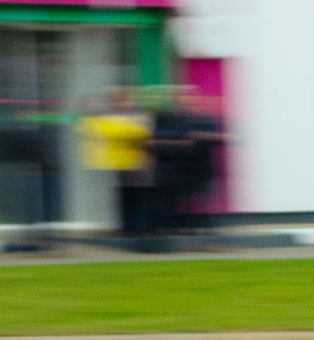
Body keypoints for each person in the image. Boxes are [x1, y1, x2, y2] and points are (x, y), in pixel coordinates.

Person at [80, 88, 156, 248]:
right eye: (117, 101)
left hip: (138, 169)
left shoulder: (138, 117)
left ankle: (138, 232)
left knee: (137, 200)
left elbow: (142, 136)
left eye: (123, 101)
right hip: (119, 171)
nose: (121, 104)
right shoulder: (111, 118)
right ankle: (127, 230)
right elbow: (95, 127)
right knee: (123, 200)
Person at [148, 84, 226, 239]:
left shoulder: (203, 120)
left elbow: (214, 139)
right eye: (182, 102)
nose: (185, 105)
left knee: (203, 200)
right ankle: (181, 228)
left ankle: (204, 230)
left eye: (188, 101)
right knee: (181, 202)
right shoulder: (170, 120)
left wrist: (198, 136)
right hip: (180, 170)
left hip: (202, 168)